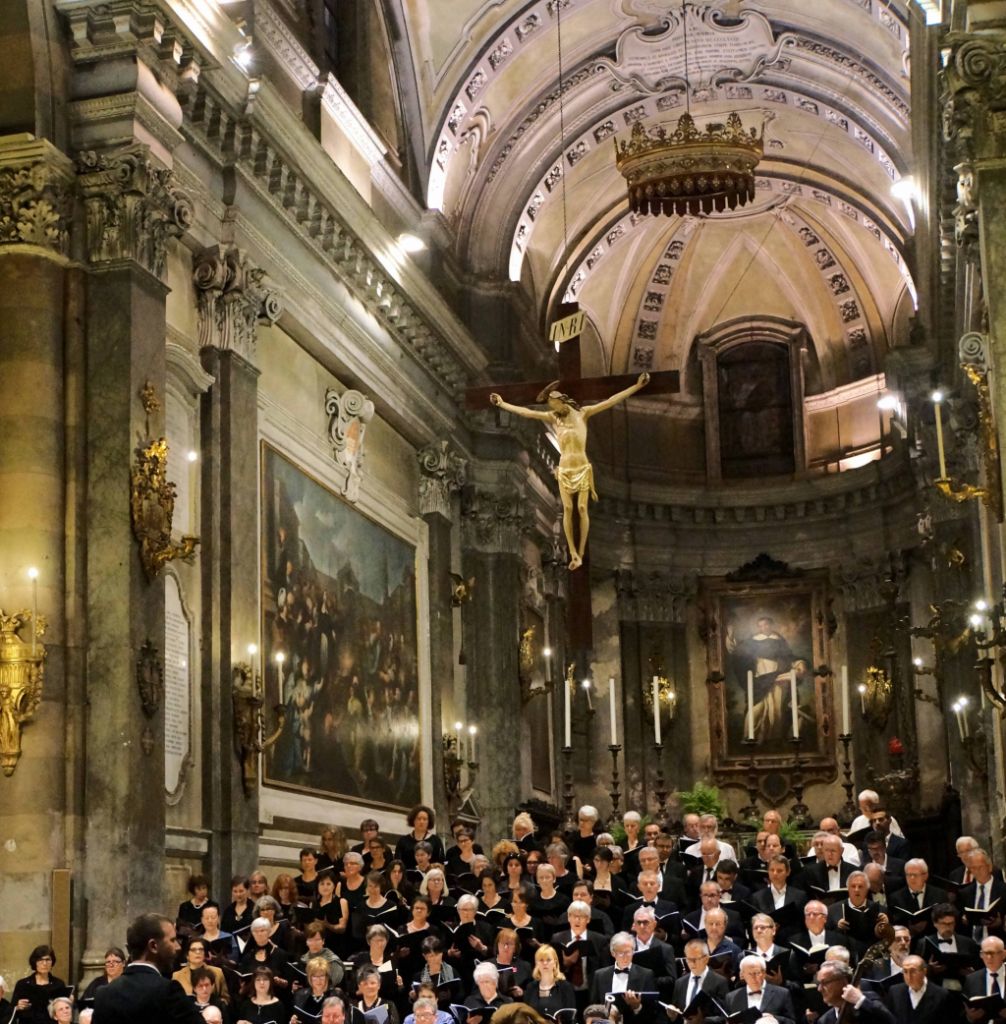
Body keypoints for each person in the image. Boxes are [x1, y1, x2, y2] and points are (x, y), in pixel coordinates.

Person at [490, 373, 650, 570]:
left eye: (553, 404)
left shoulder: (583, 413)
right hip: (565, 469)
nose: (552, 408)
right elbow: (527, 413)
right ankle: (573, 554)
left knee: (582, 509)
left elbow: (611, 400)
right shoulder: (553, 418)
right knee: (567, 509)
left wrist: (637, 386)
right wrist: (502, 404)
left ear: (561, 400)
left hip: (581, 468)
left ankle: (580, 552)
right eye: (550, 406)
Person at [92, 912, 205, 1024]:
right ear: (153, 946)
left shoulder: (104, 994)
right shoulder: (168, 991)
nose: (178, 947)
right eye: (172, 940)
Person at [722, 954, 796, 1024]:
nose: (753, 978)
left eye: (757, 973)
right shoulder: (731, 997)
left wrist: (774, 1018)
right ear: (742, 975)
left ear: (764, 973)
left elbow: (792, 1022)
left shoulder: (782, 993)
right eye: (749, 974)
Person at [664, 940, 729, 1019]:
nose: (691, 963)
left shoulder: (720, 982)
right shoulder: (679, 983)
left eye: (695, 959)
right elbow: (677, 1013)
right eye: (688, 959)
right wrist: (672, 1014)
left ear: (706, 959)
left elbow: (724, 1016)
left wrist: (701, 1021)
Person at [814, 959, 895, 1023]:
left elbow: (890, 1021)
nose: (819, 989)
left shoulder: (869, 999)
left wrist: (860, 1000)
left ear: (843, 981)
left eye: (825, 983)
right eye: (819, 984)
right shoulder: (824, 1020)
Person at [11, 946, 69, 1024]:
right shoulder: (23, 984)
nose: (44, 963)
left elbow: (63, 1012)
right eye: (40, 960)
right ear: (35, 962)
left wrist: (69, 1002)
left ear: (52, 962)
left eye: (48, 959)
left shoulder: (58, 984)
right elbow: (11, 1012)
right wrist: (17, 1007)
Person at [885, 955, 949, 1024]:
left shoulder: (942, 995)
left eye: (913, 971)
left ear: (924, 971)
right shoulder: (894, 991)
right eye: (905, 971)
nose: (909, 976)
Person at [522, 946, 575, 1019]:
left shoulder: (565, 987)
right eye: (541, 960)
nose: (545, 963)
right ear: (536, 963)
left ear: (555, 962)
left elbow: (570, 1017)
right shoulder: (530, 988)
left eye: (548, 960)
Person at [172, 937, 229, 1004]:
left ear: (205, 954)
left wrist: (216, 1006)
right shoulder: (177, 976)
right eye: (193, 950)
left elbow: (225, 998)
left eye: (201, 949)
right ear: (187, 955)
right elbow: (174, 1002)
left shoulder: (217, 972)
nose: (198, 952)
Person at [292, 957, 337, 1024]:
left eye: (322, 976)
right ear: (310, 978)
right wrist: (293, 1022)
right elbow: (296, 1018)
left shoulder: (335, 995)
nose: (319, 980)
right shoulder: (299, 995)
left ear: (327, 977)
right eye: (315, 976)